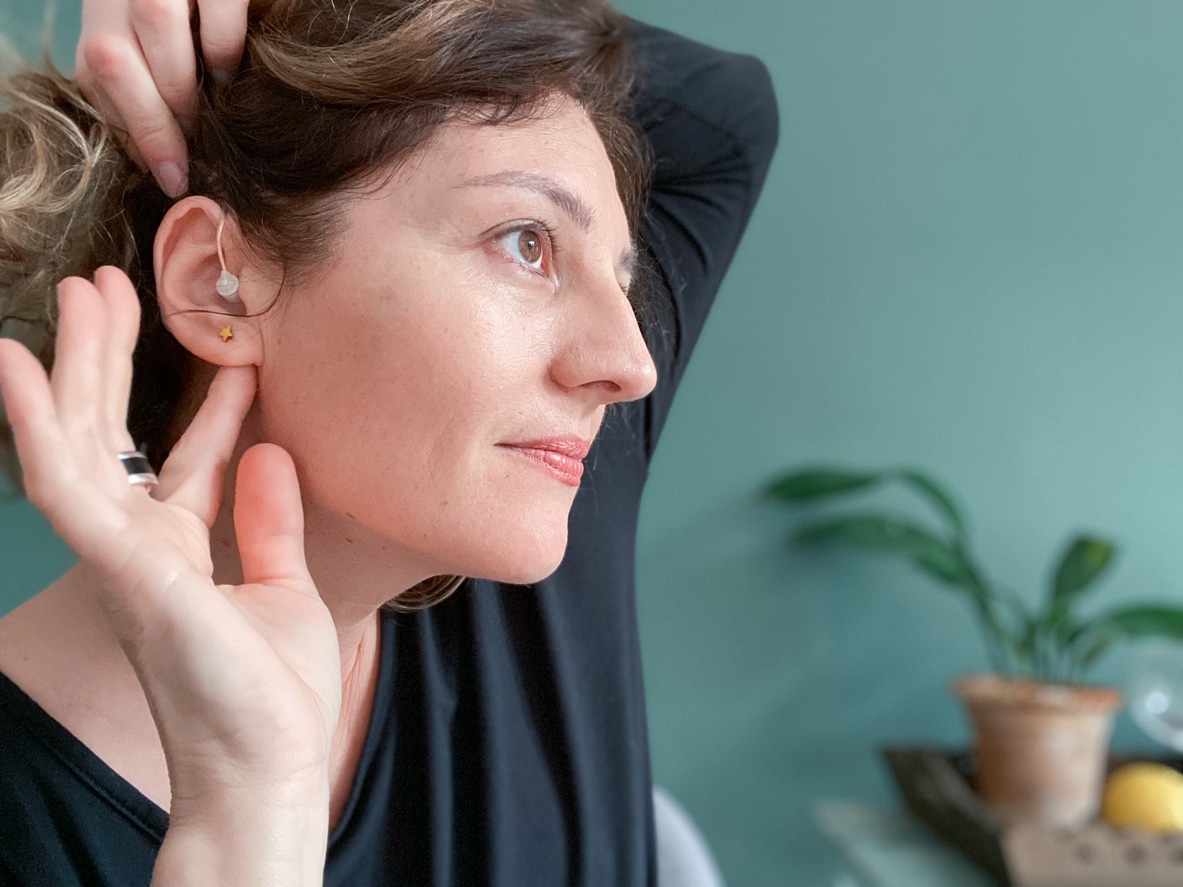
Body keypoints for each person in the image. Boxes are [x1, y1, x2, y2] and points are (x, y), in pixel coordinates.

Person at [0, 0, 778, 884]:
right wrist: (246, 819)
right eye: (526, 242)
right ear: (218, 284)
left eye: (622, 279)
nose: (627, 364)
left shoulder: (523, 519)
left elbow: (721, 117)